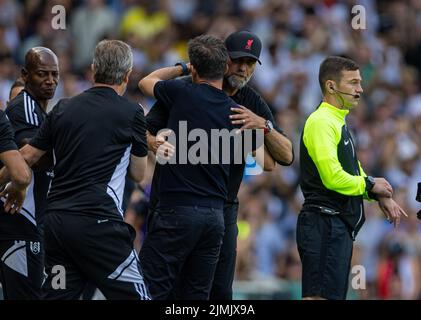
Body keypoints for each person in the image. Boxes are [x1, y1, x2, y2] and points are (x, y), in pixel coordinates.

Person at [145, 30, 294, 300]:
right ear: (224, 60)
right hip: (174, 201)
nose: (243, 68)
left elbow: (282, 158)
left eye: (250, 63)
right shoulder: (185, 90)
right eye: (239, 60)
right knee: (166, 288)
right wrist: (155, 143)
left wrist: (263, 126)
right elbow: (145, 129)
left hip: (221, 209)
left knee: (217, 293)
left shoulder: (250, 103)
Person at [1, 39, 150, 300]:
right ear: (127, 75)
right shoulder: (132, 112)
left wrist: (10, 181)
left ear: (93, 69)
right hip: (99, 223)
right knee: (138, 295)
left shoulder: (63, 108)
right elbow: (138, 174)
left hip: (57, 227)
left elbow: (26, 156)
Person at [297, 56, 407, 300]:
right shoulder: (321, 122)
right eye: (353, 83)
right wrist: (369, 184)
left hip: (335, 226)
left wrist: (375, 193)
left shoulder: (338, 122)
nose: (361, 89)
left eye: (360, 82)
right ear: (331, 86)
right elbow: (332, 178)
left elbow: (353, 172)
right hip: (324, 223)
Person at [0, 47, 58, 300]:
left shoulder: (40, 110)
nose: (50, 81)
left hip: (32, 219)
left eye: (55, 74)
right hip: (20, 218)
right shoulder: (23, 105)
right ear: (25, 74)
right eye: (42, 74)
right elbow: (30, 156)